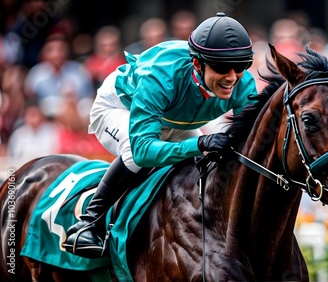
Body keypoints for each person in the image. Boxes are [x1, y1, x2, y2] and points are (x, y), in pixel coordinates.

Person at [62, 12, 258, 258]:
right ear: (197, 63)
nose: (232, 77)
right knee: (134, 154)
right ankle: (88, 223)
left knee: (203, 161)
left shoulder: (244, 85)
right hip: (121, 107)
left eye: (241, 66)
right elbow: (144, 150)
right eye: (221, 67)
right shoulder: (160, 77)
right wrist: (200, 142)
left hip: (174, 118)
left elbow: (250, 146)